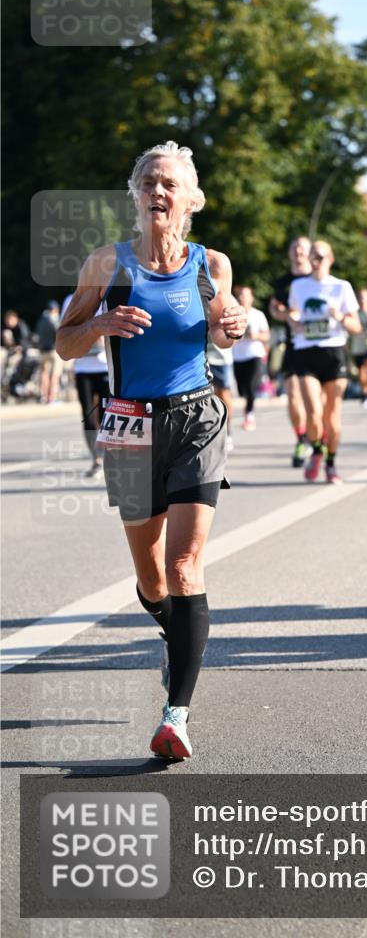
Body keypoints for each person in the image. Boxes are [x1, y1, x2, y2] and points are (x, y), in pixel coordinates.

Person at [56, 140, 248, 760]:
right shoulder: (106, 264)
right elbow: (64, 343)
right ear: (135, 196)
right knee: (152, 577)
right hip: (130, 424)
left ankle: (176, 716)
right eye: (149, 183)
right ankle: (177, 636)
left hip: (197, 418)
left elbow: (223, 325)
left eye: (170, 185)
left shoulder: (210, 264)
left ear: (191, 200)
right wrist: (98, 325)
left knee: (185, 565)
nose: (158, 192)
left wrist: (233, 325)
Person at [288, 240, 361, 484]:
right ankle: (317, 449)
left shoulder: (341, 287)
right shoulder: (298, 286)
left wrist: (339, 316)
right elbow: (293, 313)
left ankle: (330, 463)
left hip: (334, 352)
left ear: (330, 259)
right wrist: (294, 320)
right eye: (312, 256)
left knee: (332, 417)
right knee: (314, 412)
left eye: (319, 256)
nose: (315, 261)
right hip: (306, 351)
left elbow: (356, 326)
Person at [269, 237, 311, 467]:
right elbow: (275, 309)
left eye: (302, 248)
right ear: (290, 253)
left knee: (315, 400)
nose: (298, 252)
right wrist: (284, 314)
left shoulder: (317, 280)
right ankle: (301, 439)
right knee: (293, 393)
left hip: (317, 346)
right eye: (295, 248)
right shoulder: (283, 282)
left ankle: (318, 437)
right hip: (293, 344)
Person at [61, 294, 109, 477]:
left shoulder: (109, 294)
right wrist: (86, 333)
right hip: (83, 369)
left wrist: (101, 334)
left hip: (105, 367)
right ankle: (96, 459)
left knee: (106, 417)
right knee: (88, 417)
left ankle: (107, 457)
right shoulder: (70, 300)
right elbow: (63, 331)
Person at [232, 285, 270, 431]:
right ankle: (248, 408)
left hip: (255, 355)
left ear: (251, 298)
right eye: (240, 295)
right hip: (238, 357)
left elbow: (266, 335)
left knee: (251, 386)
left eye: (246, 295)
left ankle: (249, 415)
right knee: (242, 389)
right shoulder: (233, 314)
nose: (243, 297)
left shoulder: (258, 315)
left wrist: (256, 336)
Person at [206, 336, 235, 451]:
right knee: (201, 397)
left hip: (220, 358)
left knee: (223, 394)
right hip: (198, 356)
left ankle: (227, 431)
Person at [35, 301, 63, 404]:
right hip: (53, 350)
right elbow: (59, 332)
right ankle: (52, 398)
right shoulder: (53, 319)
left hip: (43, 350)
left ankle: (43, 396)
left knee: (44, 374)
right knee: (55, 374)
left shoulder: (41, 320)